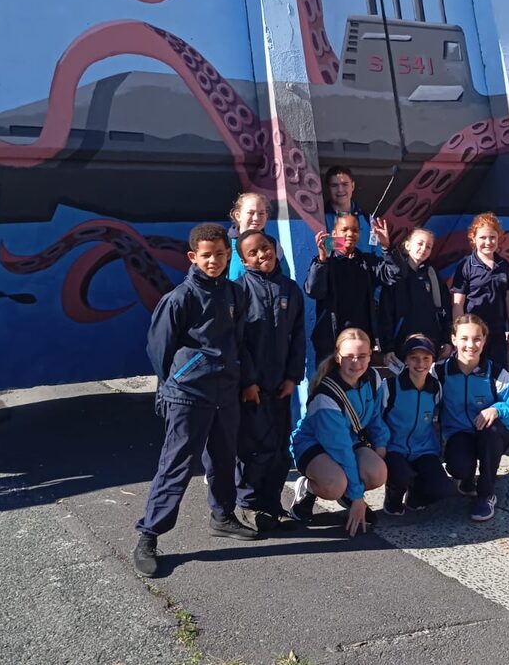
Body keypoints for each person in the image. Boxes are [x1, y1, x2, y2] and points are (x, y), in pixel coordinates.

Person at [134, 223, 258, 578]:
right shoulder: (179, 298)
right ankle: (148, 534)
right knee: (175, 466)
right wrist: (171, 386)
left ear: (229, 254)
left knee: (224, 458)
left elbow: (239, 342)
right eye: (206, 255)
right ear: (193, 257)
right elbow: (159, 349)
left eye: (220, 254)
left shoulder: (235, 293)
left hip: (226, 394)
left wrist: (246, 380)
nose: (213, 261)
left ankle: (223, 516)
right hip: (188, 396)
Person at [231, 229, 305, 530]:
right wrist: (248, 381)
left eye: (265, 247)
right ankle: (249, 505)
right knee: (253, 447)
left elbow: (298, 337)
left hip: (281, 386)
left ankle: (272, 503)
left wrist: (292, 377)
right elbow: (237, 343)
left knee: (278, 448)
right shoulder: (238, 291)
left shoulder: (290, 289)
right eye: (253, 252)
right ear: (244, 261)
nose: (262, 254)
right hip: (252, 388)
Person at [288, 328, 389, 536]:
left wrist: (380, 446)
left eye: (362, 356)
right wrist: (358, 498)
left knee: (378, 472)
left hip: (348, 439)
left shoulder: (373, 378)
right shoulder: (326, 395)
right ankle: (308, 488)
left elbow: (375, 418)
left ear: (370, 355)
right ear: (337, 356)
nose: (356, 362)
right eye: (349, 356)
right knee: (335, 484)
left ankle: (349, 493)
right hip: (312, 443)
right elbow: (341, 450)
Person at [435, 314, 509, 522]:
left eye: (477, 339)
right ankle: (466, 479)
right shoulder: (439, 373)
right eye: (464, 338)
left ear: (484, 341)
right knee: (458, 466)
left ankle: (486, 494)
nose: (470, 345)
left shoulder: (496, 373)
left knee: (491, 432)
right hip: (459, 434)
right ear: (453, 339)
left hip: (491, 436)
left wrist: (497, 409)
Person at [304, 212, 399, 366]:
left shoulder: (367, 262)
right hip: (331, 345)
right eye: (344, 230)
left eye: (355, 230)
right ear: (334, 234)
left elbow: (396, 275)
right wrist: (322, 260)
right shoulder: (326, 262)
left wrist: (386, 247)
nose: (350, 234)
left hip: (361, 344)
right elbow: (314, 291)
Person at [380, 334, 454, 516]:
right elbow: (376, 420)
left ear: (432, 360)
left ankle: (415, 497)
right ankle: (393, 497)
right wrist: (380, 445)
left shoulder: (436, 388)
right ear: (405, 359)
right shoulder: (390, 387)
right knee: (401, 475)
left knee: (442, 488)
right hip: (394, 448)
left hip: (423, 449)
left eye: (426, 358)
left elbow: (436, 418)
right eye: (414, 358)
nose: (420, 363)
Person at [378, 227, 452, 369]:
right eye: (420, 243)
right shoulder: (395, 275)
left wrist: (447, 340)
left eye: (428, 246)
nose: (423, 248)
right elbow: (385, 314)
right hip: (401, 346)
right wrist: (388, 348)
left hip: (430, 346)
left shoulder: (433, 276)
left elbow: (445, 310)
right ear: (407, 245)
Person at [451, 212, 509, 370]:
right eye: (482, 237)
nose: (488, 242)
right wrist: (460, 334)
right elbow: (457, 304)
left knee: (498, 375)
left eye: (492, 237)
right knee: (475, 373)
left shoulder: (504, 265)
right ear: (473, 238)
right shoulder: (466, 266)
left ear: (499, 238)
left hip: (497, 333)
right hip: (473, 336)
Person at [226, 192, 288, 280]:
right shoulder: (226, 244)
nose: (256, 218)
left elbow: (285, 276)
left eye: (261, 213)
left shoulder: (273, 244)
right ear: (238, 216)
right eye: (250, 213)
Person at [323, 165, 375, 253]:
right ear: (328, 188)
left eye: (345, 184)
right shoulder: (320, 219)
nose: (340, 190)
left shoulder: (368, 220)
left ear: (353, 186)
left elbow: (377, 249)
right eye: (334, 185)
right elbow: (322, 247)